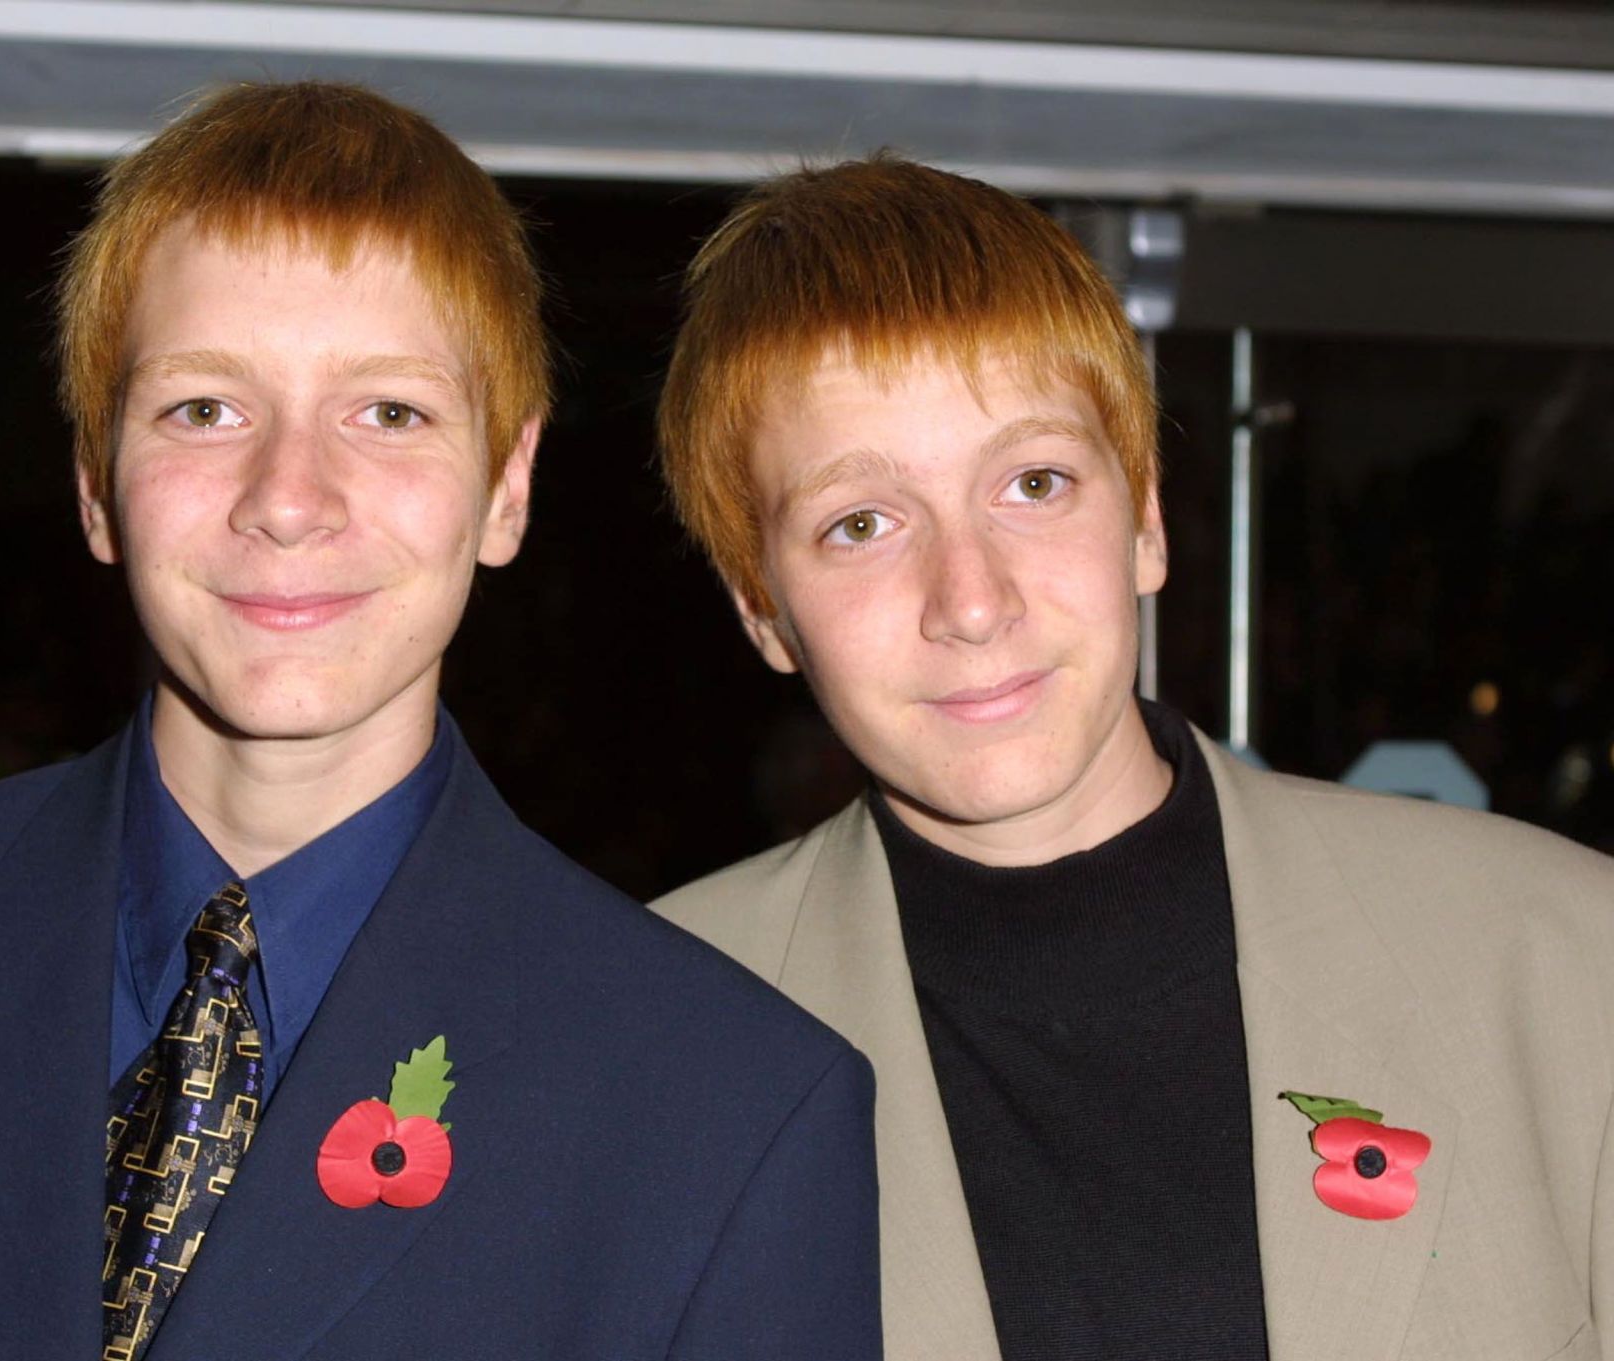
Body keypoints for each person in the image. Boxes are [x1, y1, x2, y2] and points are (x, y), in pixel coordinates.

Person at [0, 83, 879, 1361]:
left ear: (506, 487)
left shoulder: (730, 1112)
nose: (289, 497)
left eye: (390, 412)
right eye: (206, 407)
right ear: (97, 484)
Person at [653, 154, 1614, 1361]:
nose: (971, 599)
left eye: (1034, 482)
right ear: (761, 608)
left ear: (1147, 520)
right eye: (861, 523)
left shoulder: (1567, 964)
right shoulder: (644, 1042)